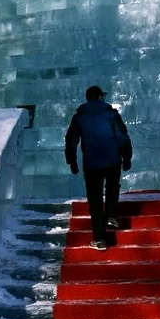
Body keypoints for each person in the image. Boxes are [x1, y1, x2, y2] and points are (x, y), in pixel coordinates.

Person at [65, 85, 132, 251]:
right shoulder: (111, 113)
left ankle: (100, 239)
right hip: (112, 159)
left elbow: (71, 141)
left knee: (95, 200)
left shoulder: (80, 116)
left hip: (92, 163)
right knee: (112, 186)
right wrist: (127, 157)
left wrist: (71, 161)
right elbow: (122, 136)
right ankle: (111, 215)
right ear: (100, 97)